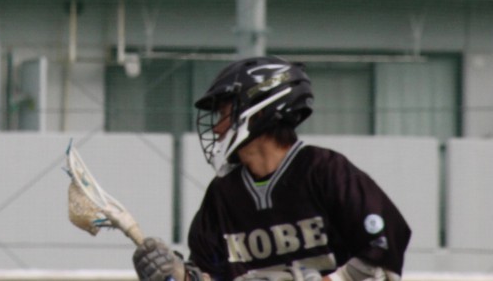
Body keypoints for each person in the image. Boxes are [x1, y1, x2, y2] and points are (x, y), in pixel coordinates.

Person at [133, 55, 411, 281]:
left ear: (259, 111)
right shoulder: (222, 195)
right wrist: (178, 276)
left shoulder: (325, 172)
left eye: (224, 114)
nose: (216, 128)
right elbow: (210, 272)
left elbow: (384, 247)